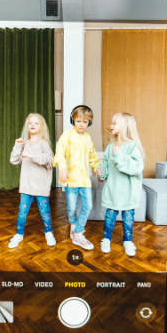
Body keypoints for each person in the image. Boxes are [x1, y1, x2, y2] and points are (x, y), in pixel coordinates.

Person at [97, 113, 145, 257]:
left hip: (128, 192)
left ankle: (128, 241)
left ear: (125, 127)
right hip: (113, 190)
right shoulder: (110, 146)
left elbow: (136, 167)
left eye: (114, 123)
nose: (111, 126)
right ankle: (106, 238)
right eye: (111, 123)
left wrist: (119, 155)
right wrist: (101, 171)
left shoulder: (132, 146)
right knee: (109, 217)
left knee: (128, 219)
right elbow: (106, 164)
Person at [53, 105, 100, 250]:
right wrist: (62, 166)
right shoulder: (67, 134)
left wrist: (97, 168)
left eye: (85, 122)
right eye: (78, 121)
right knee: (72, 208)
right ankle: (73, 224)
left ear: (89, 122)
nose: (81, 124)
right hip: (71, 180)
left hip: (84, 179)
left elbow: (92, 156)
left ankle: (78, 232)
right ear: (72, 120)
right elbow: (60, 151)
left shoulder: (88, 138)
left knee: (88, 206)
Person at [8, 113, 55, 248]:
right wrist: (17, 146)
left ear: (41, 127)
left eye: (36, 123)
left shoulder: (43, 143)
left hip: (41, 185)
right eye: (30, 123)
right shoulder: (24, 143)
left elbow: (49, 160)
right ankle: (19, 234)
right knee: (22, 212)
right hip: (27, 185)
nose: (32, 125)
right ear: (27, 126)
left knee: (45, 212)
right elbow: (14, 160)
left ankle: (48, 233)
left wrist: (31, 155)